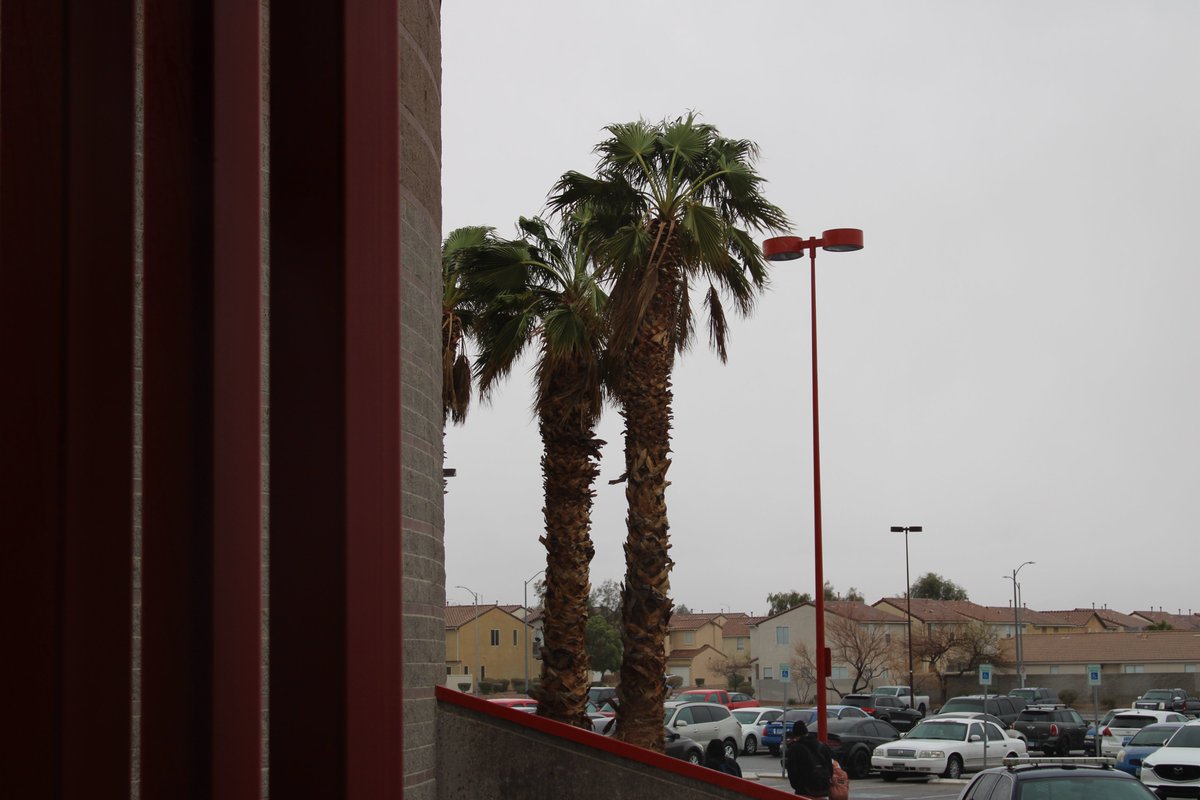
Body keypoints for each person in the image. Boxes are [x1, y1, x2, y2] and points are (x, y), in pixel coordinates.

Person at [784, 721, 833, 797]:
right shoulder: (822, 746)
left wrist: (798, 786)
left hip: (804, 790)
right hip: (824, 788)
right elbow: (830, 767)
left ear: (796, 735)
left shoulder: (795, 748)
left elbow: (792, 771)